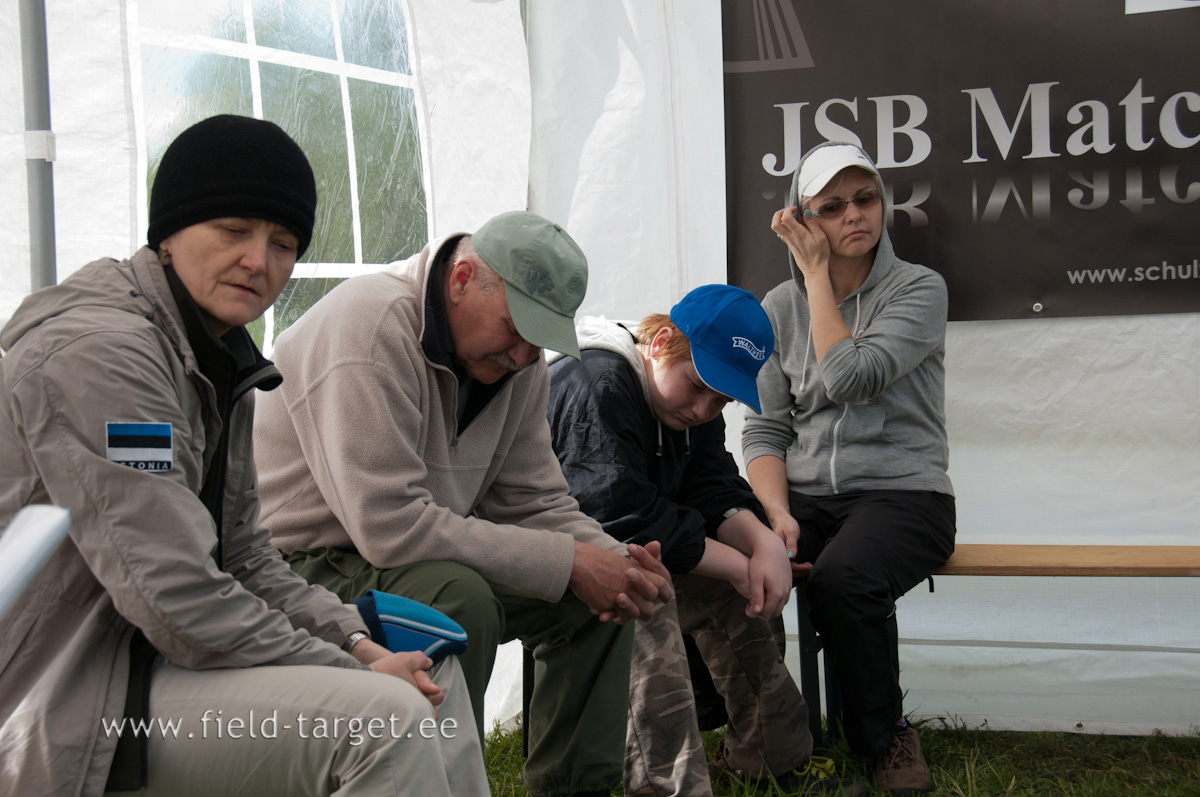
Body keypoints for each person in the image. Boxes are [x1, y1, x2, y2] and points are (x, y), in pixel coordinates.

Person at [0, 115, 488, 796]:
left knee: (428, 668)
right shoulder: (103, 356)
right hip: (68, 701)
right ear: (168, 232)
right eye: (233, 231)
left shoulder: (216, 352)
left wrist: (356, 642)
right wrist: (350, 671)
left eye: (283, 242)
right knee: (386, 717)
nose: (260, 262)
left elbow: (247, 557)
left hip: (153, 663)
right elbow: (174, 599)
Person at [253, 210, 674, 797]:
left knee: (597, 602)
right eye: (516, 326)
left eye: (540, 336)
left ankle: (575, 790)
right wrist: (572, 562)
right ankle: (439, 784)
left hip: (405, 555)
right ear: (462, 278)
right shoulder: (369, 327)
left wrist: (615, 562)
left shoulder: (515, 361)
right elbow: (388, 524)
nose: (527, 354)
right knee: (459, 600)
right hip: (300, 563)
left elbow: (536, 500)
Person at [546, 285, 867, 797]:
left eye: (721, 398)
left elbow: (710, 485)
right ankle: (670, 786)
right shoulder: (598, 383)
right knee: (644, 600)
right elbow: (617, 516)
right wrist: (742, 566)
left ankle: (771, 761)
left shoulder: (688, 410)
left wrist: (760, 542)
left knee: (741, 595)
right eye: (697, 386)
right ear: (662, 342)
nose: (702, 408)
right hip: (563, 557)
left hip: (642, 547)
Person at [744, 141, 957, 795]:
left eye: (864, 199)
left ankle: (884, 736)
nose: (854, 216)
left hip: (905, 493)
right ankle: (761, 732)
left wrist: (814, 280)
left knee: (845, 576)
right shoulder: (776, 308)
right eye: (831, 206)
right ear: (805, 218)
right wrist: (774, 514)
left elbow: (851, 376)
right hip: (807, 494)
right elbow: (766, 428)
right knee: (726, 554)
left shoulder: (919, 289)